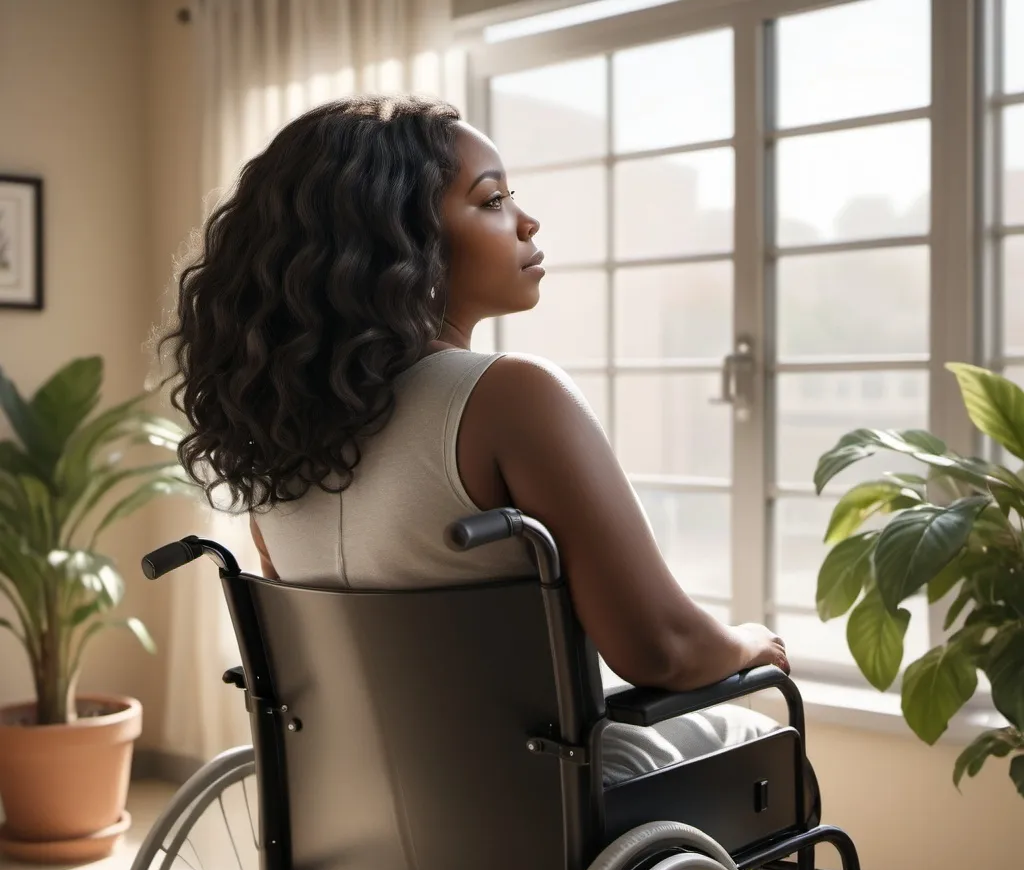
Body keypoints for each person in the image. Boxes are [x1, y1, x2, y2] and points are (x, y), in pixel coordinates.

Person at [160, 95, 788, 785]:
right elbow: (660, 649)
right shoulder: (509, 398)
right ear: (402, 240)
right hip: (542, 802)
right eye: (491, 201)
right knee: (763, 731)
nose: (527, 221)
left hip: (355, 799)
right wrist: (747, 642)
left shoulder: (279, 443)